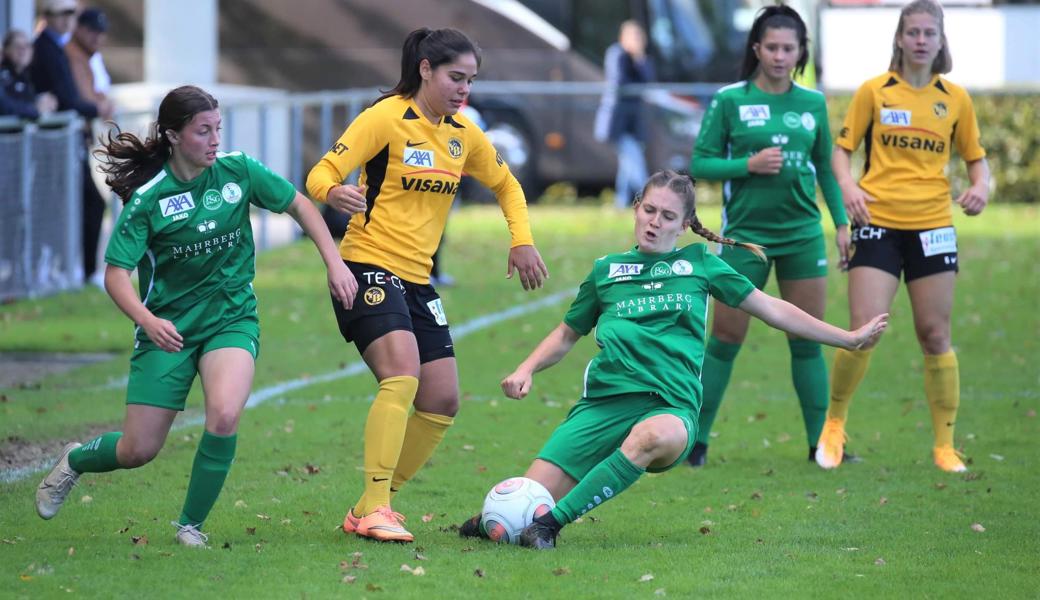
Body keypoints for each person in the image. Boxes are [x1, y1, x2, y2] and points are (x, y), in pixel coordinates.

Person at [457, 170, 888, 548]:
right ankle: (499, 522)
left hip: (671, 407)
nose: (654, 221)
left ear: (683, 225)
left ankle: (551, 527)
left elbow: (773, 308)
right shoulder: (607, 270)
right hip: (603, 404)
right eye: (649, 210)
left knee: (644, 441)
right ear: (636, 209)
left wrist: (847, 339)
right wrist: (526, 368)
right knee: (520, 505)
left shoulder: (700, 264)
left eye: (667, 216)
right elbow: (568, 333)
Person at [34, 85, 358, 547]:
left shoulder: (237, 171)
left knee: (224, 415)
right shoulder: (149, 199)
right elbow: (116, 275)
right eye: (202, 131)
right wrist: (147, 320)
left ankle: (190, 526)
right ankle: (76, 460)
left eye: (217, 129)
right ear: (173, 136)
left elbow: (299, 204)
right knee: (137, 449)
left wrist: (335, 262)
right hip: (167, 330)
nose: (214, 140)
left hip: (231, 318)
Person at [306, 28, 549, 543]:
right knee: (402, 375)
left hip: (418, 280)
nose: (464, 90)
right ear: (425, 69)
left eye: (471, 80)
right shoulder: (386, 117)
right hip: (366, 265)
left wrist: (521, 240)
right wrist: (335, 191)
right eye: (455, 78)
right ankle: (374, 508)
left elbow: (507, 184)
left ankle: (372, 506)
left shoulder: (462, 133)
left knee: (442, 400)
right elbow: (320, 173)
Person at [816, 0, 989, 473]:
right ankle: (834, 424)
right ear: (899, 37)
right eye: (911, 32)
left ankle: (944, 446)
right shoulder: (874, 91)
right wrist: (848, 185)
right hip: (877, 222)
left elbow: (977, 159)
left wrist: (980, 187)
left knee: (935, 334)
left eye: (927, 33)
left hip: (934, 226)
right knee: (863, 332)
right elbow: (840, 152)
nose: (919, 40)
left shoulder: (955, 98)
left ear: (939, 40)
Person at [686, 5, 848, 467]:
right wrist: (747, 166)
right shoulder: (730, 100)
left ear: (801, 52)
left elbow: (828, 174)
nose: (779, 56)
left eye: (788, 48)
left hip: (801, 236)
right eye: (771, 47)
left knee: (807, 339)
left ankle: (822, 444)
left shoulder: (813, 102)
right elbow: (700, 163)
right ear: (756, 49)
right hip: (744, 239)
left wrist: (841, 225)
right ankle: (695, 442)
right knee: (725, 338)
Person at [30, 0, 113, 282]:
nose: (66, 19)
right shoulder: (50, 47)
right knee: (65, 206)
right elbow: (70, 97)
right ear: (47, 16)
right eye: (60, 14)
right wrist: (95, 109)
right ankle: (67, 270)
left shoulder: (62, 48)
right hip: (54, 142)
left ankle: (73, 270)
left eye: (70, 14)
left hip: (68, 139)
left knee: (77, 205)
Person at [66, 7, 116, 287]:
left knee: (90, 204)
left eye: (101, 33)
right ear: (80, 29)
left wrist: (100, 102)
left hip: (76, 141)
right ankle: (79, 271)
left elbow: (97, 98)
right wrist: (99, 104)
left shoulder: (85, 57)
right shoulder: (71, 55)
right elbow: (86, 100)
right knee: (87, 204)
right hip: (64, 144)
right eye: (92, 31)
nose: (98, 38)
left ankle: (83, 271)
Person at [594, 20, 655, 209]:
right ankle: (649, 198)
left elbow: (648, 80)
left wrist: (639, 58)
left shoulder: (640, 58)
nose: (638, 41)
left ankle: (621, 202)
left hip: (633, 122)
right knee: (633, 158)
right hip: (617, 120)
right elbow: (619, 81)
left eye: (640, 37)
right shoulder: (616, 54)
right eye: (634, 37)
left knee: (626, 163)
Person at [1, 29, 57, 119]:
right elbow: (6, 107)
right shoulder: (3, 77)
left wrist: (44, 102)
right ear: (6, 50)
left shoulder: (27, 76)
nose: (23, 51)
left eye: (26, 46)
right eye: (17, 46)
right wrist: (35, 108)